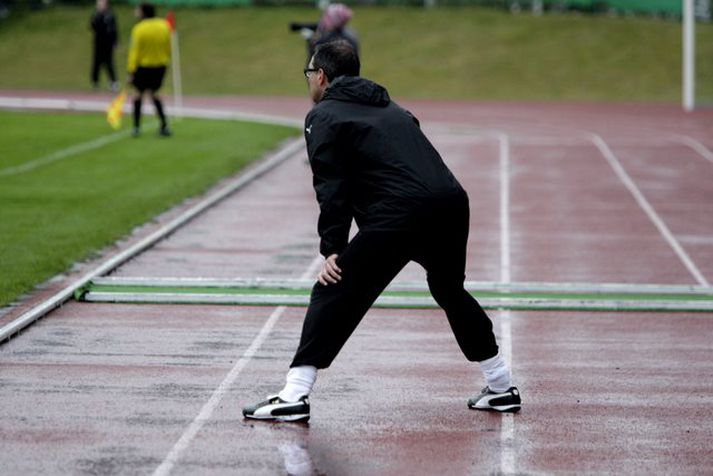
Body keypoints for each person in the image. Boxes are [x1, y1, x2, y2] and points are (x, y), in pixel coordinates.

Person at [243, 41, 521, 423]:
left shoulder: (322, 116)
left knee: (332, 287)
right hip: (451, 202)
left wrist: (332, 250)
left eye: (309, 74)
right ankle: (502, 384)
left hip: (401, 212)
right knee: (449, 290)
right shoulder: (394, 109)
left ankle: (294, 394)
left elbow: (331, 185)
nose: (308, 81)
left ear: (321, 77)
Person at [127, 2, 171, 137]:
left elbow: (134, 52)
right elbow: (168, 46)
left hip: (143, 67)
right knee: (155, 94)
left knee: (137, 95)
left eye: (137, 10)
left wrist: (130, 71)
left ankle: (136, 127)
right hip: (160, 66)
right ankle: (164, 126)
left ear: (143, 12)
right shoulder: (164, 26)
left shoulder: (139, 29)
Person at [90, 0, 119, 92]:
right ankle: (95, 82)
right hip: (98, 43)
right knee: (96, 63)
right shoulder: (96, 16)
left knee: (109, 63)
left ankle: (113, 82)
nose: (99, 6)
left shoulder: (110, 16)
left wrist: (115, 42)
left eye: (101, 4)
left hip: (108, 44)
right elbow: (93, 27)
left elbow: (114, 29)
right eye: (98, 4)